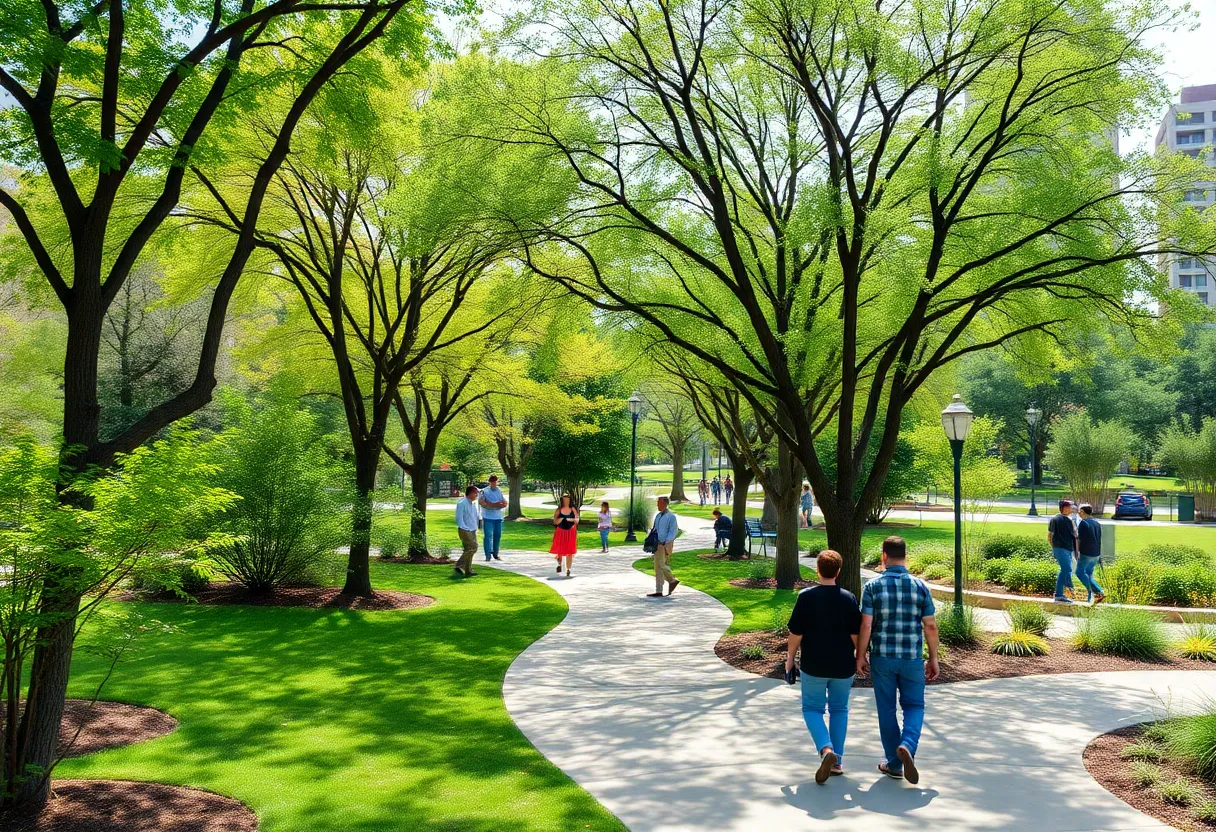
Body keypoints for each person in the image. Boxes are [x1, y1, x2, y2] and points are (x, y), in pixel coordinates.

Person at [857, 536, 939, 785]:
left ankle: (894, 763)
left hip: (882, 657)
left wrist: (860, 655)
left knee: (886, 709)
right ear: (906, 556)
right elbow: (931, 626)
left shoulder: (872, 586)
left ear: (884, 556)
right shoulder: (921, 586)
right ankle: (908, 745)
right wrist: (933, 658)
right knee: (915, 705)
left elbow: (866, 624)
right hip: (912, 658)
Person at [786, 550, 861, 784]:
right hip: (843, 665)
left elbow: (795, 633)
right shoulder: (848, 598)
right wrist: (859, 655)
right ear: (838, 571)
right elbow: (855, 634)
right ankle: (837, 762)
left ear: (817, 570)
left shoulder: (806, 597)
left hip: (814, 664)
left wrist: (790, 659)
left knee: (812, 709)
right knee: (839, 710)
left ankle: (826, 749)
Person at [647, 496, 680, 597]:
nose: (657, 505)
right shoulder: (658, 516)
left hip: (664, 545)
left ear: (665, 504)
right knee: (657, 567)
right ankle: (659, 590)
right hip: (657, 544)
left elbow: (673, 531)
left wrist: (666, 543)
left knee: (661, 564)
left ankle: (672, 580)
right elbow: (655, 529)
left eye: (659, 503)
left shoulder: (671, 517)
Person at [1047, 499, 1078, 603]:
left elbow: (1074, 535)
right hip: (1060, 549)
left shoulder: (1069, 520)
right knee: (1066, 569)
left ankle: (1066, 591)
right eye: (1069, 506)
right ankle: (1059, 594)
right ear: (1064, 508)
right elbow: (1050, 535)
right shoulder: (1055, 519)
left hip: (1068, 549)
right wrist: (1055, 547)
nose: (1071, 509)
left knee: (1067, 570)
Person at [1076, 503, 1106, 604]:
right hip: (1096, 554)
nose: (1078, 513)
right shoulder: (1096, 523)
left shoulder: (1083, 523)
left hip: (1086, 553)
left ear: (1083, 512)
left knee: (1079, 573)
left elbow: (1079, 539)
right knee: (1089, 575)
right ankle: (1091, 598)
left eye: (1079, 511)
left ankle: (1099, 591)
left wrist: (1077, 552)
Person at [454, 485, 481, 577]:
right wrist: (464, 528)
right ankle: (460, 565)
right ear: (471, 493)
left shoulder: (472, 504)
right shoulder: (462, 503)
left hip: (472, 529)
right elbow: (459, 518)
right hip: (465, 529)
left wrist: (477, 527)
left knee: (470, 549)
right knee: (473, 547)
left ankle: (468, 569)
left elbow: (474, 517)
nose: (477, 495)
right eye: (476, 493)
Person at [479, 475, 507, 562]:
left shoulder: (499, 491)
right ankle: (488, 555)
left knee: (497, 535)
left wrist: (495, 504)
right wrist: (496, 505)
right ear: (489, 482)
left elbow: (505, 502)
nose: (494, 483)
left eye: (495, 481)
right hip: (488, 517)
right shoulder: (484, 491)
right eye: (492, 481)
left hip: (498, 517)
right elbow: (482, 503)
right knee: (488, 535)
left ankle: (496, 554)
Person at [551, 494, 579, 577]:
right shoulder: (559, 510)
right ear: (562, 500)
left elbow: (577, 520)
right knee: (560, 549)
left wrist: (570, 519)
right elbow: (555, 521)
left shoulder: (573, 509)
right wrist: (559, 520)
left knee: (569, 551)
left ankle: (568, 569)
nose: (566, 501)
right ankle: (559, 564)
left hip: (570, 531)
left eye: (567, 499)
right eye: (564, 499)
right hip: (560, 531)